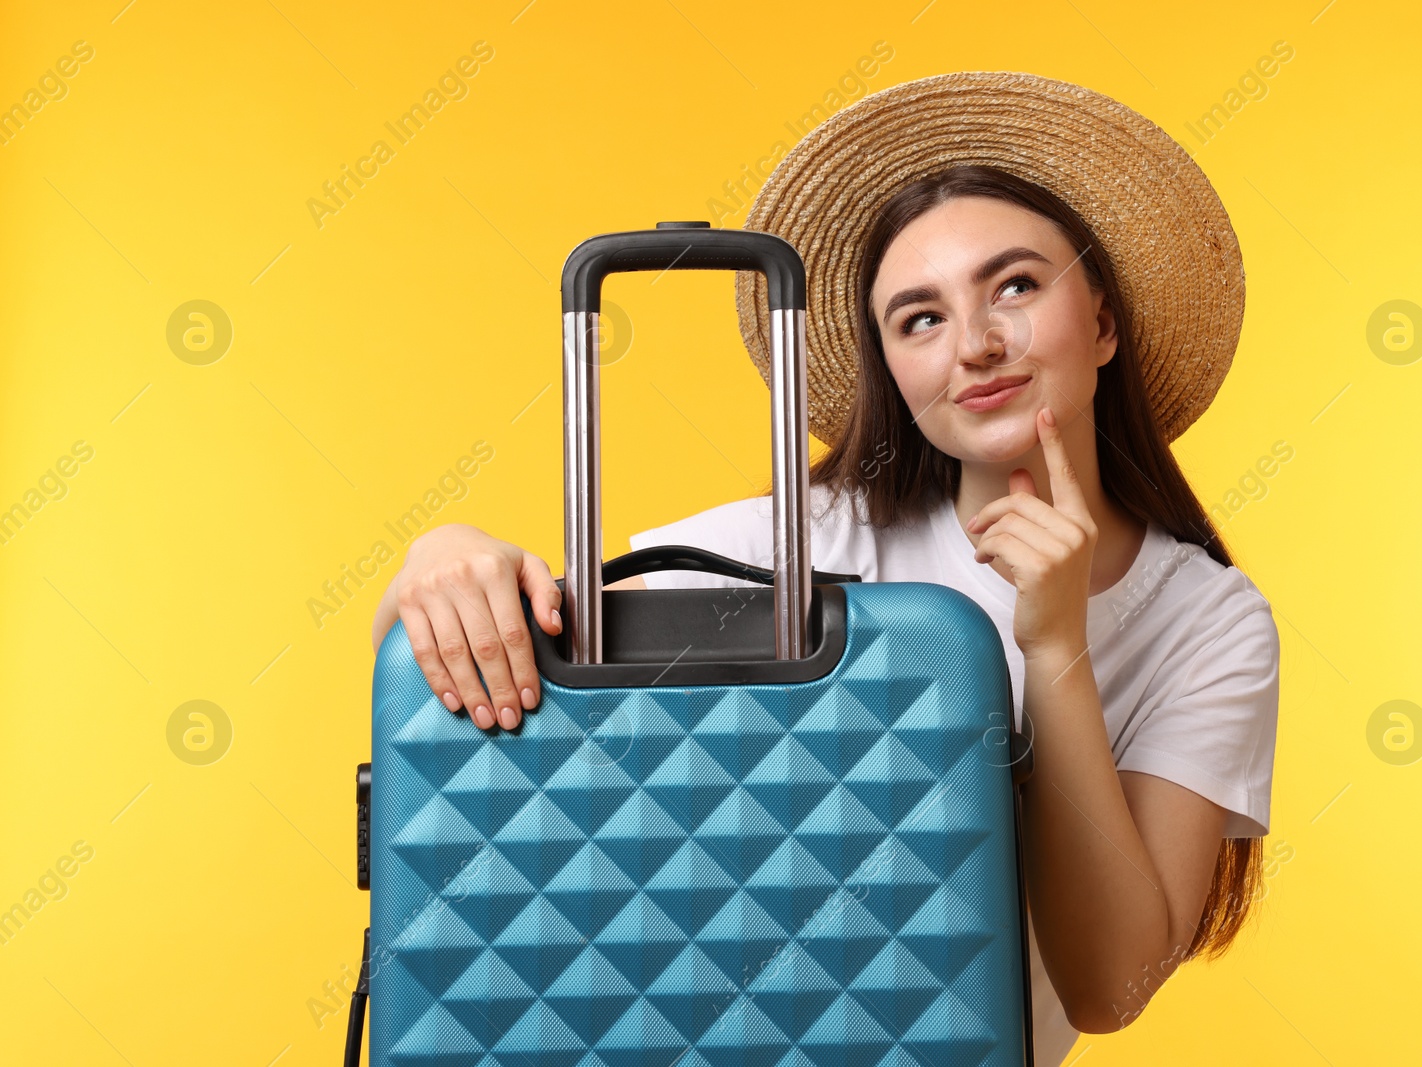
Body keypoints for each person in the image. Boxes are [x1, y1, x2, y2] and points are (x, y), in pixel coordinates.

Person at [371, 72, 1279, 1065]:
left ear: (1102, 323)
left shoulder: (1204, 619)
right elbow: (487, 671)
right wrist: (440, 559)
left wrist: (1055, 643)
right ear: (893, 369)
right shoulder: (804, 542)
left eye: (1015, 285)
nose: (974, 344)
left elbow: (1110, 988)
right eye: (919, 318)